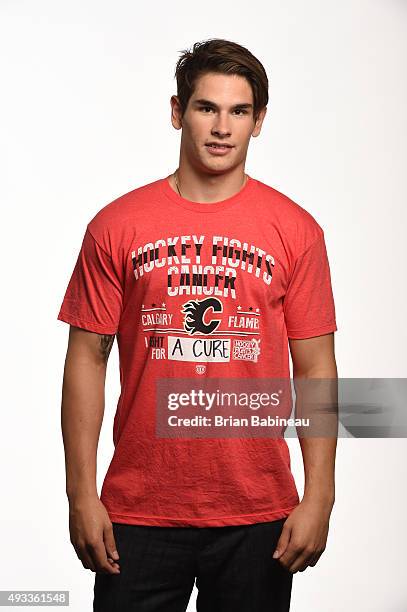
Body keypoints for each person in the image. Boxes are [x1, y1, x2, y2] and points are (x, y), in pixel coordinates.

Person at [58, 38, 338, 612]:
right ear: (176, 112)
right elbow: (86, 358)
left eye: (239, 111)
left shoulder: (296, 231)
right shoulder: (116, 226)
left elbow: (315, 366)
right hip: (136, 510)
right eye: (206, 107)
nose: (221, 127)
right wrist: (80, 493)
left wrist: (320, 497)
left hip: (257, 511)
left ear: (259, 121)